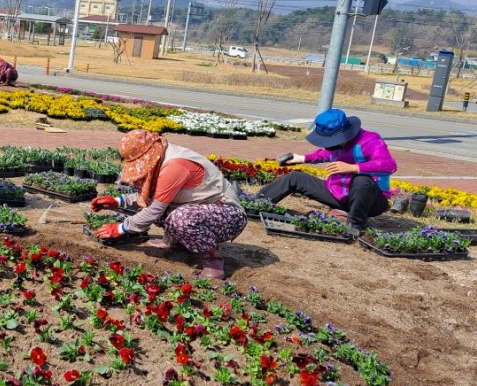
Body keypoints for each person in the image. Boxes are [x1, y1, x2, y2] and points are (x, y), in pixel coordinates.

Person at [90, 129, 246, 280]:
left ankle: (212, 259)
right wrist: (117, 201)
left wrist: (120, 228)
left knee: (180, 218)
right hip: (199, 208)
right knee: (167, 209)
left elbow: (154, 210)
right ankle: (175, 241)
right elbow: (150, 195)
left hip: (227, 215)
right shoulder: (161, 158)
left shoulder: (174, 166)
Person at [258, 108, 396, 236]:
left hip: (371, 201)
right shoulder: (335, 146)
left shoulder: (371, 141)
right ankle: (257, 202)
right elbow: (323, 154)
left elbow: (389, 165)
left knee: (362, 180)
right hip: (340, 194)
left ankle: (354, 226)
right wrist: (301, 158)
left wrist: (353, 168)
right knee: (295, 177)